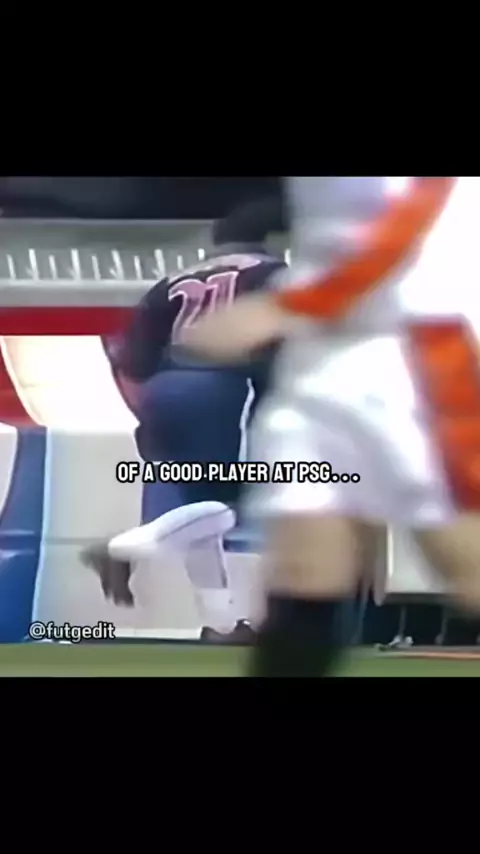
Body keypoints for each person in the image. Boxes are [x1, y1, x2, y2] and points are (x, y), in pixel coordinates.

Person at [183, 176, 480, 675]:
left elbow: (422, 208)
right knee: (304, 567)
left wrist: (285, 307)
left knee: (464, 564)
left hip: (417, 346)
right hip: (319, 357)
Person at [82, 196, 288, 642]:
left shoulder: (170, 282)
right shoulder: (275, 275)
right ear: (274, 238)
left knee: (198, 511)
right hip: (227, 389)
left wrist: (152, 410)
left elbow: (133, 362)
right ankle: (123, 549)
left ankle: (220, 621)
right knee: (229, 504)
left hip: (163, 390)